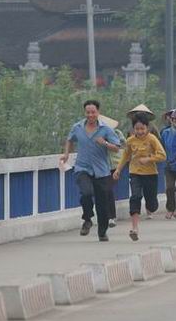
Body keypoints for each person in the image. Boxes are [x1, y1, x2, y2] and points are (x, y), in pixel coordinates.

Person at [62, 100, 121, 242]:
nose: (90, 115)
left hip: (101, 171)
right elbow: (70, 140)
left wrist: (105, 143)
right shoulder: (77, 127)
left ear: (98, 112)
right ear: (85, 113)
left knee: (102, 204)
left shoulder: (106, 129)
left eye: (93, 112)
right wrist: (66, 154)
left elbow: (117, 147)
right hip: (82, 167)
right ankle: (87, 219)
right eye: (88, 112)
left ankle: (102, 232)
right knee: (86, 193)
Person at [113, 113, 166, 241]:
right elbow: (125, 156)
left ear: (147, 128)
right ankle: (134, 228)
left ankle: (151, 205)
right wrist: (118, 169)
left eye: (142, 129)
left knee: (151, 204)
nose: (140, 131)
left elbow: (163, 155)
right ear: (133, 129)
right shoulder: (130, 141)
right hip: (135, 172)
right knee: (135, 197)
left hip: (150, 174)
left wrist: (149, 159)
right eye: (137, 129)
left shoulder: (152, 139)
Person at [161, 109, 176, 219]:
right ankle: (170, 208)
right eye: (174, 118)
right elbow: (161, 147)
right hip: (169, 164)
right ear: (171, 120)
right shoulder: (165, 133)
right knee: (170, 187)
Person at [102, 115, 125, 228]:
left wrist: (107, 142)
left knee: (108, 189)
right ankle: (106, 216)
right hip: (102, 166)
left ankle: (111, 216)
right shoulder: (97, 135)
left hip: (115, 165)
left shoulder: (117, 133)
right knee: (104, 191)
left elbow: (121, 145)